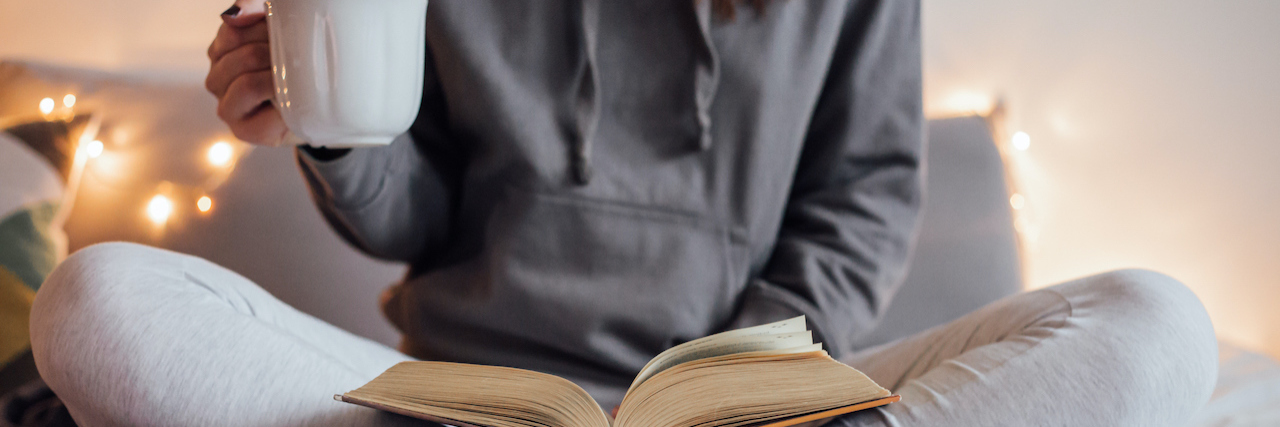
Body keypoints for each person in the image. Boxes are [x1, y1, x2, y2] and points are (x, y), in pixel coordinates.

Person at [29, 0, 1219, 425]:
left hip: (748, 402)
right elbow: (415, 220)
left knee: (1151, 323)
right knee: (99, 300)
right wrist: (334, 127)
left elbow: (863, 196)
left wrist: (737, 390)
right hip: (465, 402)